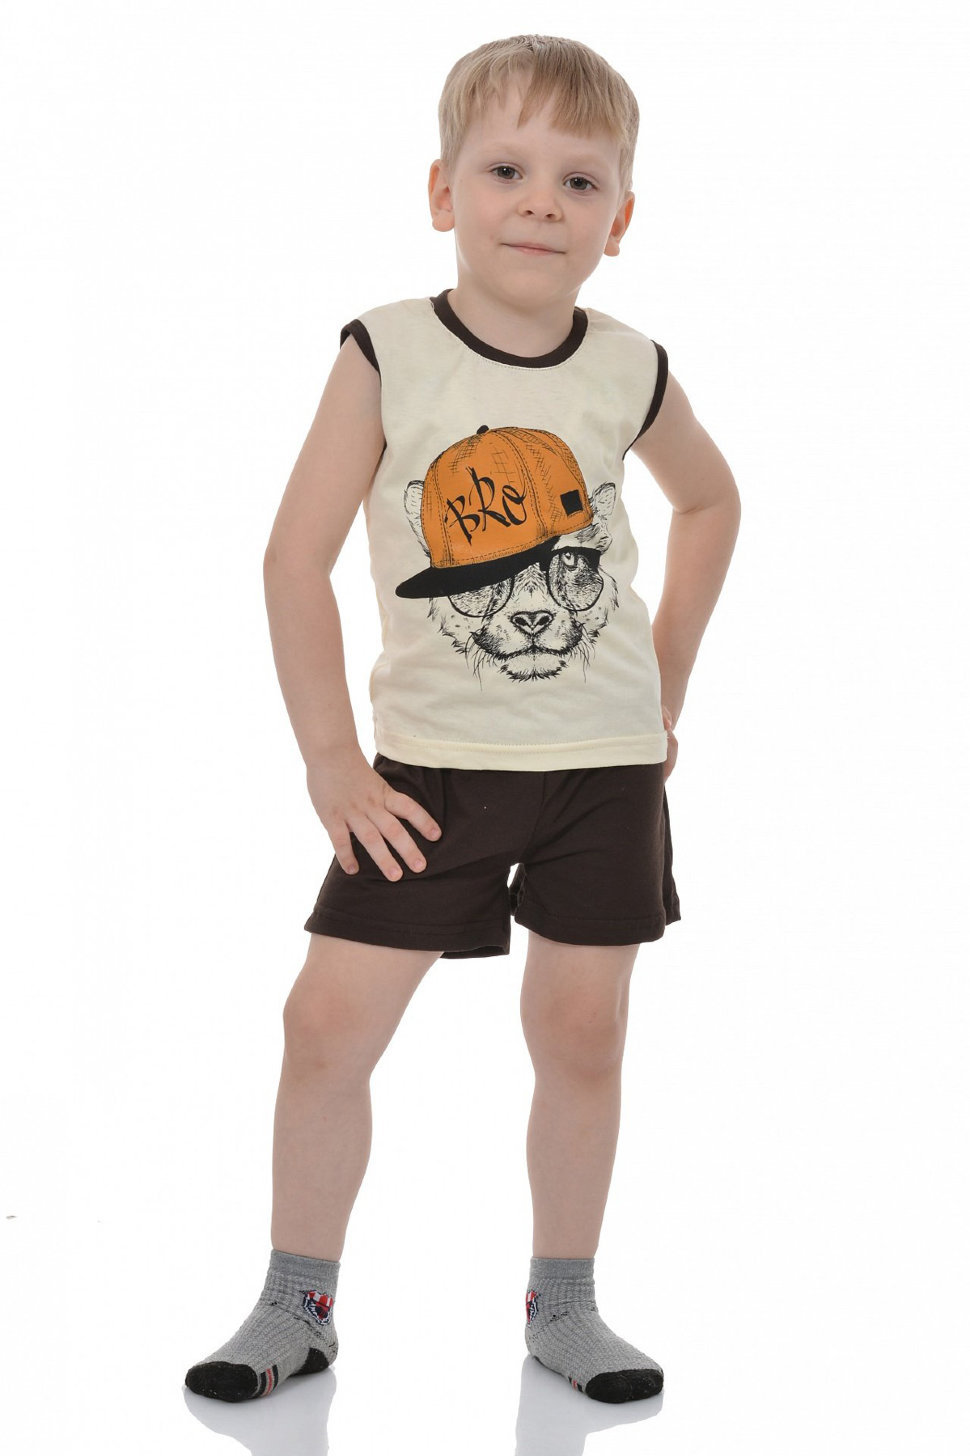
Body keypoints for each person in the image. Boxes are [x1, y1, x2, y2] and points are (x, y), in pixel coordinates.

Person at [185, 33, 740, 1407]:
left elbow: (711, 500)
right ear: (443, 191)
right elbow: (291, 558)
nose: (541, 203)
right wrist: (330, 761)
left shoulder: (630, 366)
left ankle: (566, 1305)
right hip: (427, 775)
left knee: (582, 1036)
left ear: (621, 218)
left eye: (578, 180)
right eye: (505, 170)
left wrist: (666, 680)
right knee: (325, 1025)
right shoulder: (388, 350)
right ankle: (296, 1302)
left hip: (604, 770)